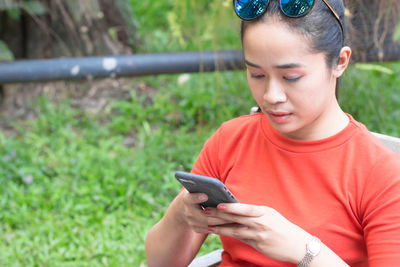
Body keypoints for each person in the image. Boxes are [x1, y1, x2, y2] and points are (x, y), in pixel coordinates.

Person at [145, 0, 400, 266]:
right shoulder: (231, 141)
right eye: (256, 74)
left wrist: (305, 251)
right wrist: (181, 214)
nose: (271, 96)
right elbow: (160, 263)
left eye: (290, 77)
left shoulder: (382, 174)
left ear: (340, 62)